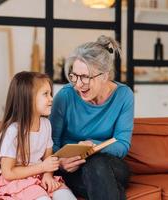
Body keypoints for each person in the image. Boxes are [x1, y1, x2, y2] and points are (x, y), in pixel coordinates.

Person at [50, 35, 134, 200]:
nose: (79, 84)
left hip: (111, 164)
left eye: (85, 77)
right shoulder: (65, 96)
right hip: (72, 168)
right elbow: (51, 142)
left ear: (105, 75)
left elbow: (122, 144)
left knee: (95, 162)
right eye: (74, 76)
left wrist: (92, 147)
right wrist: (60, 162)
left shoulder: (124, 95)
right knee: (99, 177)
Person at [0, 71, 77, 200]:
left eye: (50, 94)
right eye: (45, 94)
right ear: (28, 98)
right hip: (18, 181)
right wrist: (42, 167)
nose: (51, 98)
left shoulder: (46, 124)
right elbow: (8, 172)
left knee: (67, 197)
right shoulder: (13, 131)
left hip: (41, 176)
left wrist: (48, 175)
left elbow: (48, 159)